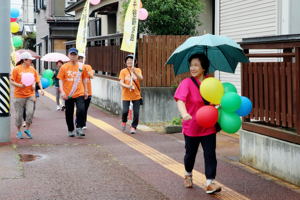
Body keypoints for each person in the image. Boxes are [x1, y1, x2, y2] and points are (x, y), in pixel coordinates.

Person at [174, 54, 221, 194]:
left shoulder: (211, 82)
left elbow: (218, 98)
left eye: (196, 65)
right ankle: (188, 173)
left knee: (210, 154)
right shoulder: (186, 83)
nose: (192, 68)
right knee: (190, 154)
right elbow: (180, 100)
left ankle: (210, 182)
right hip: (192, 126)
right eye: (191, 65)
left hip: (208, 126)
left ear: (204, 67)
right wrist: (184, 114)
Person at [10, 52, 44, 139]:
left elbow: (37, 79)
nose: (31, 61)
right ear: (24, 60)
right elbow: (11, 81)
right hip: (19, 95)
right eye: (29, 60)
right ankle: (18, 131)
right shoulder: (16, 69)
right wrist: (19, 85)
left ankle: (27, 129)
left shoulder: (32, 69)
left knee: (30, 113)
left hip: (30, 95)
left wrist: (41, 89)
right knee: (19, 115)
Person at [57, 48, 89, 137]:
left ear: (77, 56)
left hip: (80, 92)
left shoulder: (82, 66)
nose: (73, 56)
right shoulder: (64, 67)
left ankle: (79, 127)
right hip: (68, 94)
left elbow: (85, 79)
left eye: (75, 55)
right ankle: (70, 129)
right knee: (69, 113)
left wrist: (86, 90)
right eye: (71, 54)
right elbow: (60, 80)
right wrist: (62, 91)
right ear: (68, 55)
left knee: (81, 110)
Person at [119, 54, 143, 134]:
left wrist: (134, 72)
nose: (129, 61)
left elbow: (141, 78)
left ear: (134, 62)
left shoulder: (137, 70)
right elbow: (121, 82)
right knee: (125, 111)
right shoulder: (123, 71)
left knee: (136, 113)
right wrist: (128, 86)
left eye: (131, 60)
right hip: (126, 95)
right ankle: (124, 121)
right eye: (128, 60)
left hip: (136, 95)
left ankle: (133, 127)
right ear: (125, 62)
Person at [78, 53, 94, 129]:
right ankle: (78, 122)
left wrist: (86, 72)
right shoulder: (76, 67)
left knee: (85, 109)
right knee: (80, 108)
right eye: (79, 58)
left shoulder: (88, 67)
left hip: (88, 91)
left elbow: (92, 76)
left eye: (82, 58)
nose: (80, 60)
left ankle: (83, 123)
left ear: (84, 59)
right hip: (79, 92)